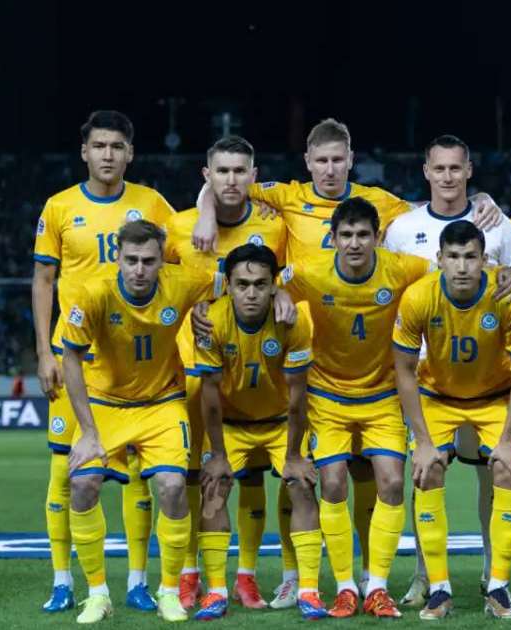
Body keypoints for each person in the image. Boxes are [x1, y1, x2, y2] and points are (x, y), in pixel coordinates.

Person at [192, 118, 504, 593]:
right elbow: (224, 185)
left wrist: (481, 199)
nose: (330, 169)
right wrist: (205, 214)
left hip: (373, 368)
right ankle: (299, 577)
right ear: (308, 163)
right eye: (321, 160)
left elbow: (437, 205)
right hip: (308, 360)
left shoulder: (379, 202)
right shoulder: (288, 195)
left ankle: (370, 579)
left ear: (351, 161)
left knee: (368, 477)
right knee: (307, 474)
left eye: (338, 160)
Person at [31, 110, 175, 614]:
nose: (108, 155)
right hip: (74, 358)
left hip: (132, 364)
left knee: (138, 473)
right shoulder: (59, 207)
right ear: (84, 152)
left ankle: (137, 581)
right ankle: (62, 581)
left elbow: (180, 264)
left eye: (117, 146)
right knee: (65, 471)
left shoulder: (151, 203)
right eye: (99, 146)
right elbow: (43, 280)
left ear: (130, 153)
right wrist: (44, 351)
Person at [382, 134, 511, 606]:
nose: (447, 176)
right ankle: (425, 577)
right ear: (426, 172)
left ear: (469, 171)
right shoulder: (402, 228)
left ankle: (493, 574)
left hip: (490, 378)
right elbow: (390, 292)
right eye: (439, 168)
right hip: (428, 378)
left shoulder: (498, 224)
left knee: (495, 474)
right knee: (425, 472)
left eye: (455, 168)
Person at [60, 219, 219, 623]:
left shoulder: (183, 282)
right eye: (131, 260)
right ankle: (97, 594)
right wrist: (89, 432)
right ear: (117, 258)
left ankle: (169, 591)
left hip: (161, 402)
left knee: (172, 487)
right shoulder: (93, 293)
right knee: (82, 485)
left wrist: (276, 294)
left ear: (162, 261)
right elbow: (71, 358)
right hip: (105, 402)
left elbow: (232, 283)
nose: (139, 269)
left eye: (148, 261)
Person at [279, 197, 431, 618]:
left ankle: (376, 587)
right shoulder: (310, 271)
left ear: (377, 237)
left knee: (392, 483)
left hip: (382, 395)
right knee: (331, 484)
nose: (354, 243)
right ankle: (345, 586)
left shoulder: (402, 268)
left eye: (363, 234)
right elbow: (268, 284)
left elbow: (450, 272)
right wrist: (280, 296)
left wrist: (501, 276)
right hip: (327, 396)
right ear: (332, 238)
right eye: (345, 235)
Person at [164, 135, 297, 611]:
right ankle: (189, 574)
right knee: (194, 476)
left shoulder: (272, 226)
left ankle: (246, 575)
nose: (231, 180)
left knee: (252, 475)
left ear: (253, 176)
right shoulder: (179, 227)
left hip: (251, 371)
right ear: (207, 176)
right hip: (192, 372)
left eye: (240, 171)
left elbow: (285, 277)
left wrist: (284, 291)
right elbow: (160, 288)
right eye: (222, 171)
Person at [191, 243, 328, 621]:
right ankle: (216, 591)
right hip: (231, 424)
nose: (250, 293)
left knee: (302, 485)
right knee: (214, 488)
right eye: (242, 284)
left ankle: (309, 590)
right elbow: (210, 396)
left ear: (273, 286)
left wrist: (295, 455)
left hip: (281, 422)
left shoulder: (293, 322)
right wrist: (218, 455)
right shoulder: (212, 322)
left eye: (260, 284)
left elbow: (299, 397)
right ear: (228, 286)